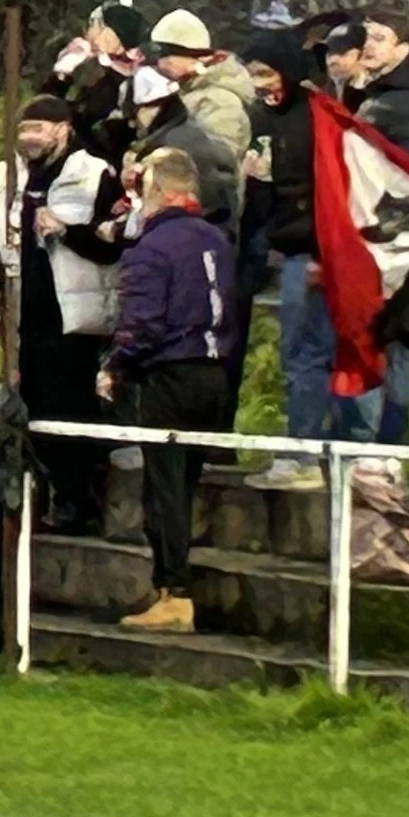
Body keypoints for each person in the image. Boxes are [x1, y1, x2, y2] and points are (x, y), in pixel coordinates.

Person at [100, 148, 244, 635]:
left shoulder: (153, 249)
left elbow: (142, 322)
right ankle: (174, 588)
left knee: (164, 488)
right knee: (185, 482)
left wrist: (116, 365)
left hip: (171, 373)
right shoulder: (217, 240)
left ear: (158, 191)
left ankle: (174, 593)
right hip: (215, 372)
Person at [0, 97, 126, 532]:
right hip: (23, 314)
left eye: (39, 128)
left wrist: (67, 232)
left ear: (62, 129)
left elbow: (113, 243)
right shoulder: (6, 176)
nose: (29, 138)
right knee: (30, 407)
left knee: (72, 410)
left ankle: (78, 501)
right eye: (24, 130)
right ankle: (39, 499)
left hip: (73, 317)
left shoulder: (94, 173)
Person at [342, 10, 409, 444]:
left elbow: (406, 174)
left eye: (381, 37)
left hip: (395, 241)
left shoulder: (406, 104)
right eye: (366, 36)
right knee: (381, 341)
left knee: (390, 342)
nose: (370, 44)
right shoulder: (371, 95)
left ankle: (383, 444)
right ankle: (374, 441)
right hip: (379, 237)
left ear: (404, 49)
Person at [241, 31, 329, 490]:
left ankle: (305, 454)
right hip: (277, 243)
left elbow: (332, 189)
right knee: (298, 352)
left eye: (266, 73)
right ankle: (304, 449)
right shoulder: (260, 117)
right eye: (253, 74)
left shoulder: (316, 119)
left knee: (307, 352)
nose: (259, 83)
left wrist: (320, 252)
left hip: (310, 249)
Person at [126, 66, 240, 234]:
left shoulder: (171, 148)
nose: (134, 123)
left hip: (192, 237)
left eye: (134, 115)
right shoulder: (188, 133)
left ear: (150, 108)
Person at [147, 10, 257, 162]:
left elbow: (218, 164)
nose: (160, 62)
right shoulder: (182, 92)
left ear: (194, 56)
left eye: (165, 53)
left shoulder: (221, 102)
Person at [55, 1, 148, 168]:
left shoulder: (118, 80)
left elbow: (86, 124)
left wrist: (63, 75)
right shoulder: (95, 70)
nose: (87, 32)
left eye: (94, 25)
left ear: (109, 34)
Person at [357, 10, 409, 167]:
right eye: (363, 37)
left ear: (402, 49)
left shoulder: (405, 102)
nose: (367, 45)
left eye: (378, 39)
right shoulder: (382, 92)